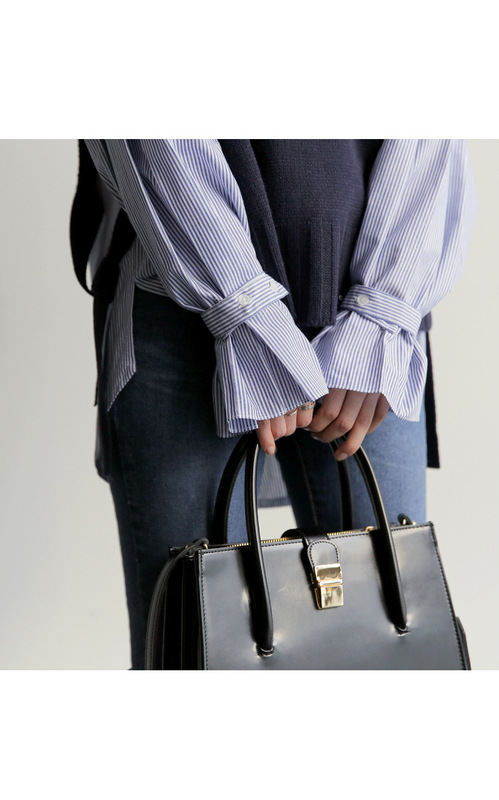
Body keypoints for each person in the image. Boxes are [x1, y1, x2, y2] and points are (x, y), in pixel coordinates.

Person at [70, 139, 477, 670]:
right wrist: (242, 306)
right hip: (181, 283)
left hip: (373, 303)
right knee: (197, 647)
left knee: (397, 640)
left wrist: (382, 312)